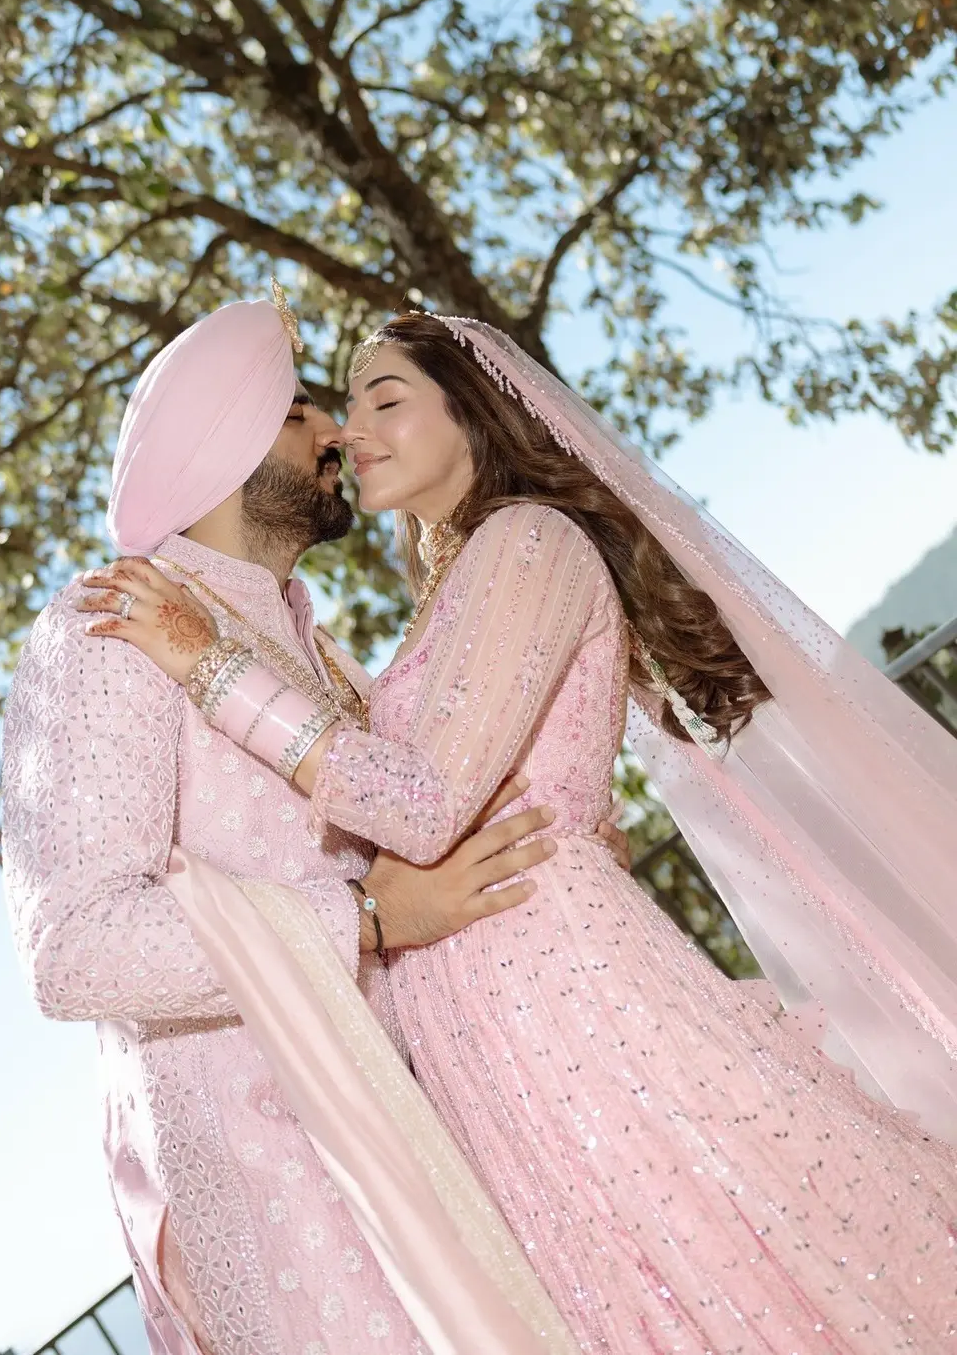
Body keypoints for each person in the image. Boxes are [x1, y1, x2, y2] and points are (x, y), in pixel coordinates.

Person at [89, 309, 957, 1354]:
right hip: (488, 1033)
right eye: (341, 403)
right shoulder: (452, 591)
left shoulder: (529, 538)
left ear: (470, 411)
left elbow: (417, 802)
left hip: (569, 1002)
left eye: (384, 399)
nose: (351, 430)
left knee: (729, 1253)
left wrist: (211, 668)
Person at [1, 297, 629, 1355]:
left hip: (430, 1135)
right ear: (227, 445)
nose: (336, 431)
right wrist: (365, 920)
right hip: (280, 1182)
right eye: (299, 410)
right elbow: (74, 950)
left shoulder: (306, 641)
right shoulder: (112, 621)